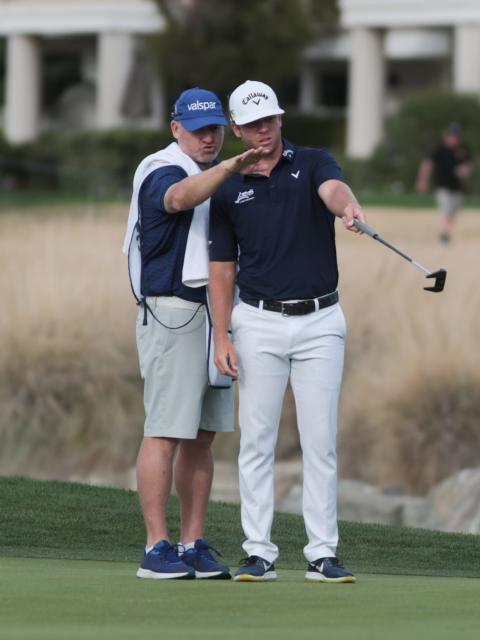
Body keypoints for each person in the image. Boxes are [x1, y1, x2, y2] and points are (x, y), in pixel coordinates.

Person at [208, 80, 365, 584]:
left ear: (280, 120)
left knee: (320, 441)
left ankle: (323, 553)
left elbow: (332, 190)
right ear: (236, 129)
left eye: (270, 120)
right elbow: (221, 269)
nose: (264, 131)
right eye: (253, 124)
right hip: (256, 320)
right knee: (257, 440)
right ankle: (259, 552)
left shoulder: (313, 161)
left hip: (320, 321)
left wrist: (348, 208)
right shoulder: (227, 186)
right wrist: (222, 334)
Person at [122, 88, 267, 579]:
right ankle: (155, 547)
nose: (209, 137)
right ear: (175, 128)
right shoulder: (161, 166)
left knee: (202, 436)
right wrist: (229, 169)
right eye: (198, 128)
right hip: (172, 311)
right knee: (164, 429)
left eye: (215, 129)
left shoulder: (217, 173)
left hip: (215, 316)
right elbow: (178, 198)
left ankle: (191, 543)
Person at [416, 122, 472, 244]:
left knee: (453, 213)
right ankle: (444, 234)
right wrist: (422, 180)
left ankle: (446, 233)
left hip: (457, 188)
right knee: (445, 210)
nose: (454, 139)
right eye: (453, 136)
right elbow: (427, 165)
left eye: (457, 137)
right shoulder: (440, 150)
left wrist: (464, 171)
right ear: (447, 136)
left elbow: (468, 167)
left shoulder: (462, 151)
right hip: (442, 187)